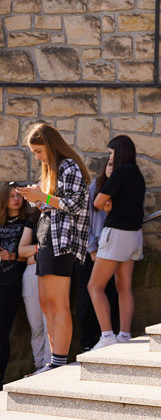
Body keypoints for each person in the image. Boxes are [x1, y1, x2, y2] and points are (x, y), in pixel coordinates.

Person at [18, 123, 91, 375]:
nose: (36, 157)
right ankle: (53, 361)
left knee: (58, 303)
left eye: (38, 151)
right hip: (48, 235)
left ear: (50, 145)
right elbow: (55, 206)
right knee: (46, 303)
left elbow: (74, 204)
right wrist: (38, 198)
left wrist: (43, 197)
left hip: (64, 240)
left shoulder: (69, 165)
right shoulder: (52, 169)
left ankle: (58, 361)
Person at [88, 135, 146, 350]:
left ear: (118, 152)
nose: (109, 158)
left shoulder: (121, 172)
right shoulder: (137, 174)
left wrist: (107, 204)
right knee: (124, 286)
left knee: (94, 286)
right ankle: (124, 334)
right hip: (135, 235)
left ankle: (106, 335)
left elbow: (97, 202)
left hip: (117, 234)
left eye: (111, 154)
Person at [76, 158, 120, 352]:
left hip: (115, 250)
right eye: (109, 164)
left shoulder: (124, 190)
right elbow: (85, 221)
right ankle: (88, 342)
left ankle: (111, 337)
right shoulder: (95, 187)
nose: (112, 168)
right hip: (91, 251)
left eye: (115, 166)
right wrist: (93, 249)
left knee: (113, 295)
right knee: (87, 299)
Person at [13, 188, 50, 373]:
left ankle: (51, 363)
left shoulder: (57, 215)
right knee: (36, 326)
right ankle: (39, 365)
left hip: (49, 272)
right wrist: (40, 250)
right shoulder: (32, 220)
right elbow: (21, 251)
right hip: (31, 273)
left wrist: (34, 252)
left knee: (49, 323)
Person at [0, 181, 31, 388]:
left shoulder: (27, 222)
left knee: (3, 331)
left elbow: (31, 253)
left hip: (11, 283)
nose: (16, 199)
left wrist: (13, 256)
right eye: (11, 195)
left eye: (19, 195)